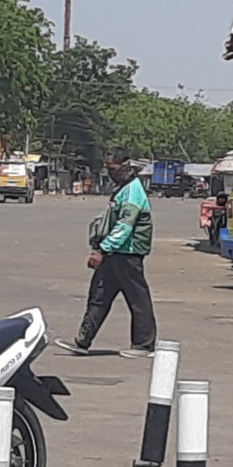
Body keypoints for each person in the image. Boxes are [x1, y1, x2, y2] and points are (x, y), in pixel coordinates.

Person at [64, 152, 157, 356]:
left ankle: (144, 344)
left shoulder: (133, 192)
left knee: (137, 298)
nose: (110, 173)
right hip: (114, 252)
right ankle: (83, 341)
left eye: (113, 168)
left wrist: (103, 249)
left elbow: (125, 225)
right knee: (99, 295)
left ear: (126, 167)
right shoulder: (122, 189)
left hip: (128, 253)